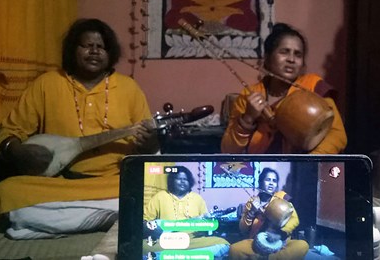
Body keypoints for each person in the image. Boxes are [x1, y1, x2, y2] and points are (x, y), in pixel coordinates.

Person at [0, 18, 159, 239]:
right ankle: (111, 218)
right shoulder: (47, 83)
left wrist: (150, 142)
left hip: (114, 182)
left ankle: (69, 221)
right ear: (72, 49)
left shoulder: (128, 87)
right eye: (87, 45)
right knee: (8, 192)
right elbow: (8, 132)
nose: (94, 51)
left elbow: (150, 146)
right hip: (61, 184)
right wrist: (15, 150)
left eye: (101, 47)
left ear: (110, 53)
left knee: (158, 192)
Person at [221, 23, 347, 154]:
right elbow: (228, 150)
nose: (291, 59)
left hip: (307, 168)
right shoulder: (250, 96)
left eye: (298, 54)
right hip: (262, 169)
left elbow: (337, 135)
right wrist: (248, 118)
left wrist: (309, 162)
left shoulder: (312, 87)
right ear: (268, 58)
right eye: (284, 52)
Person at [143, 166, 230, 259]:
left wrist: (206, 224)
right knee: (142, 247)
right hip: (166, 240)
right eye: (179, 179)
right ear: (172, 180)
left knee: (223, 244)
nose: (182, 182)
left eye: (185, 179)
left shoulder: (197, 198)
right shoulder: (160, 196)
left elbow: (206, 224)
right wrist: (154, 229)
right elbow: (145, 222)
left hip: (192, 240)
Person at [229, 167, 309, 259]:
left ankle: (268, 258)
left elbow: (294, 220)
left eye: (274, 181)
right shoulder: (252, 202)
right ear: (261, 182)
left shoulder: (282, 198)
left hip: (280, 242)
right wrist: (252, 212)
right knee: (233, 249)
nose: (271, 183)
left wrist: (279, 234)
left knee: (303, 245)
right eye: (268, 180)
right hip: (256, 242)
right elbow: (243, 229)